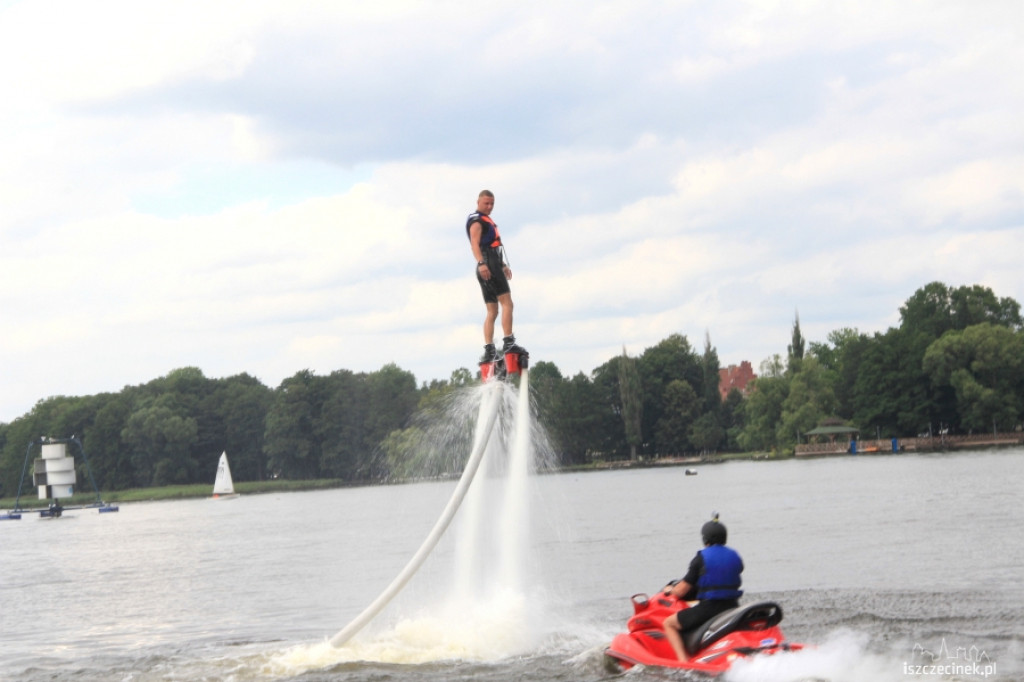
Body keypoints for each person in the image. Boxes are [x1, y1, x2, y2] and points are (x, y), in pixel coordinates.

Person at [662, 515, 743, 660]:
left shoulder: (701, 558)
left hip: (710, 609)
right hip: (733, 607)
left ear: (705, 539)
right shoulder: (735, 555)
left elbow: (681, 590)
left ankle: (683, 664)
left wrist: (670, 590)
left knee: (669, 623)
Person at [466, 189, 526, 362]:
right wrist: (482, 263)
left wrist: (503, 265)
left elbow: (492, 246)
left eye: (492, 203)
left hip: (489, 263)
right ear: (478, 202)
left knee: (492, 310)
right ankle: (508, 342)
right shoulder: (477, 222)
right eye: (486, 203)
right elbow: (475, 245)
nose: (490, 206)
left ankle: (490, 351)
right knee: (508, 303)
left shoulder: (485, 220)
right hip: (487, 263)